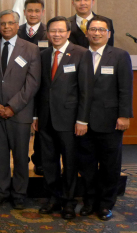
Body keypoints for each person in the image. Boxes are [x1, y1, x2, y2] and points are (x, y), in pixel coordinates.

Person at [33, 16, 93, 220]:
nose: (56, 34)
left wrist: (82, 120)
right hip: (46, 118)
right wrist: (35, 115)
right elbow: (39, 89)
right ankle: (53, 198)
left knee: (69, 163)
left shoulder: (81, 53)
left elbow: (86, 90)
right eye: (52, 31)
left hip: (70, 120)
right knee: (48, 162)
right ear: (47, 34)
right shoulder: (43, 54)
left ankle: (68, 201)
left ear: (68, 33)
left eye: (60, 31)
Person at [0, 10, 41, 210]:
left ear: (18, 25)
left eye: (10, 23)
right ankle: (1, 192)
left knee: (20, 156)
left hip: (20, 112)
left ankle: (19, 194)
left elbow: (32, 83)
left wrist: (12, 106)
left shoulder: (31, 49)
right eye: (3, 24)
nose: (6, 27)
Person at [77, 16, 132, 221]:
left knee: (110, 166)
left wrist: (124, 115)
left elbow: (125, 88)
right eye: (93, 29)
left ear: (108, 33)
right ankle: (90, 201)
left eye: (102, 30)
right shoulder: (79, 55)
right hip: (83, 122)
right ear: (86, 33)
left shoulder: (119, 55)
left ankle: (105, 204)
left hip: (111, 121)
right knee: (87, 166)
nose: (97, 33)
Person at [18, 0, 48, 176]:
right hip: (20, 86)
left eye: (37, 11)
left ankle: (40, 160)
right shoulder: (17, 30)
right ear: (24, 12)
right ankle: (20, 160)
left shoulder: (49, 32)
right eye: (30, 10)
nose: (33, 14)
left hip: (43, 86)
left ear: (43, 12)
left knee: (41, 126)